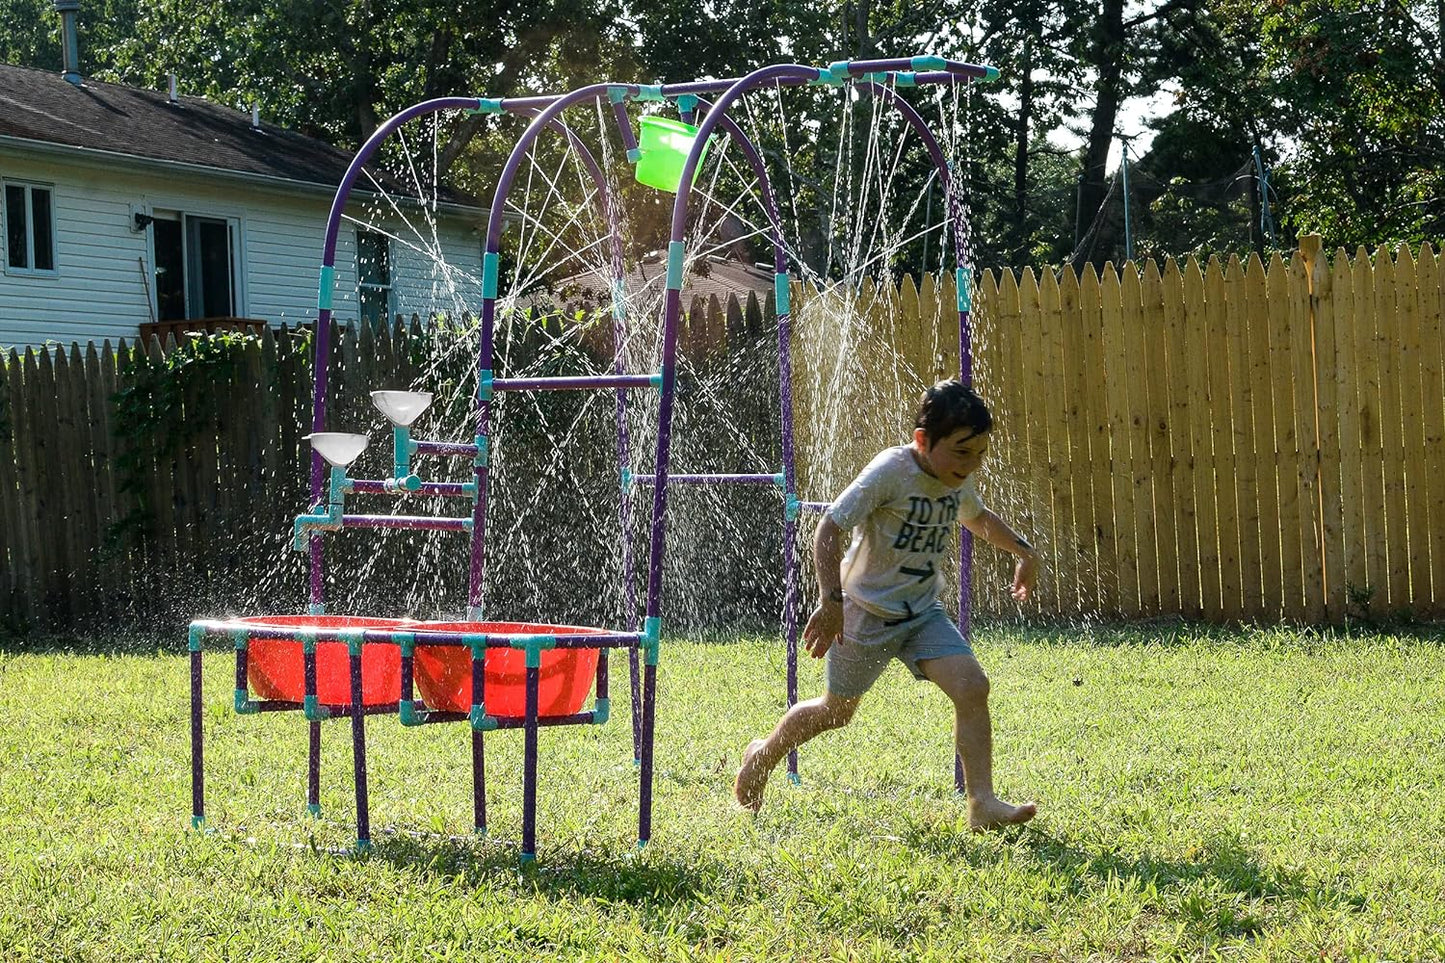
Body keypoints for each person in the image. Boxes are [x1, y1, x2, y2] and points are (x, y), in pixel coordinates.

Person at [734, 379, 1038, 830]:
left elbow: (976, 518)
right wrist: (830, 600)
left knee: (972, 686)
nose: (972, 463)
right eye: (961, 451)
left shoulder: (958, 478)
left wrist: (1024, 551)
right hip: (864, 613)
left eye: (979, 454)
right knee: (835, 712)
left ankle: (982, 803)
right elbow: (828, 530)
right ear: (922, 441)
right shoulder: (891, 472)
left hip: (921, 613)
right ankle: (763, 754)